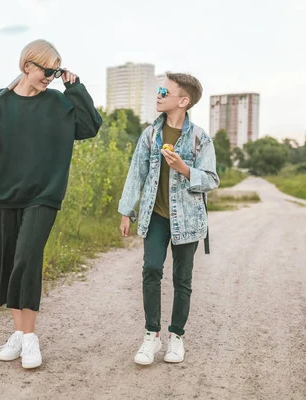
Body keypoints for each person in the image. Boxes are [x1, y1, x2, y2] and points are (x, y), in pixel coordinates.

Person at [0, 39, 102, 369]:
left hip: (44, 194)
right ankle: (19, 332)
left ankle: (29, 339)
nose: (51, 76)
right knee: (10, 264)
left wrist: (75, 88)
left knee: (26, 257)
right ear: (28, 66)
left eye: (56, 71)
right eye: (48, 70)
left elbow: (90, 127)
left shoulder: (58, 103)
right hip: (6, 195)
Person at [118, 72, 219, 365]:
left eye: (165, 91)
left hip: (188, 220)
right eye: (159, 90)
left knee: (182, 279)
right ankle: (151, 336)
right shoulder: (150, 134)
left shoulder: (200, 137)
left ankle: (177, 337)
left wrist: (185, 169)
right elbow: (135, 174)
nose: (158, 94)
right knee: (151, 269)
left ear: (183, 101)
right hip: (156, 216)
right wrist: (127, 210)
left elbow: (212, 179)